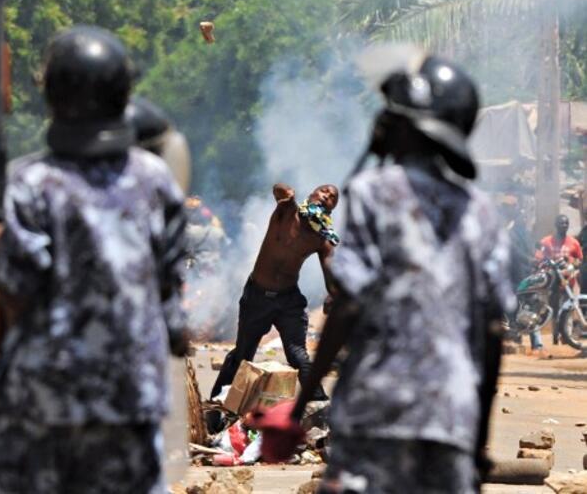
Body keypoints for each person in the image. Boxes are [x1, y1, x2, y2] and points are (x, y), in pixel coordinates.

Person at [274, 53, 513, 492]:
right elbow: (492, 334)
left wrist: (299, 409)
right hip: (452, 420)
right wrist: (477, 445)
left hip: (376, 414)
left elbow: (349, 306)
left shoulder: (375, 192)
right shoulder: (481, 211)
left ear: (401, 125)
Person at [0, 26, 189, 493]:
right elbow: (169, 293)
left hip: (45, 401)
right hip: (131, 398)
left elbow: (20, 297)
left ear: (53, 97)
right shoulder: (155, 180)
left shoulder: (30, 182)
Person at [209, 183, 338, 401]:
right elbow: (279, 189)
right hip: (258, 295)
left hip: (289, 301)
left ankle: (319, 406)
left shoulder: (322, 238)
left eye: (333, 197)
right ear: (312, 194)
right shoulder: (288, 212)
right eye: (324, 191)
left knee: (298, 356)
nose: (327, 196)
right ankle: (216, 409)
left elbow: (330, 274)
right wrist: (286, 195)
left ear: (332, 209)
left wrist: (333, 294)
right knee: (242, 355)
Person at [535, 214, 582, 345]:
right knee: (554, 311)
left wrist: (572, 263)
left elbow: (579, 259)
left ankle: (566, 338)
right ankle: (555, 337)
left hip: (568, 283)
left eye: (566, 223)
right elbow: (539, 257)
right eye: (561, 223)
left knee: (568, 311)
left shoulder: (574, 242)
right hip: (553, 283)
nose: (564, 226)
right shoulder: (546, 241)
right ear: (556, 225)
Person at [502, 200, 540, 352]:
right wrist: (530, 259)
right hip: (512, 274)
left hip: (526, 273)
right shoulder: (509, 229)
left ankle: (537, 344)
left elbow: (527, 249)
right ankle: (516, 337)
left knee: (531, 305)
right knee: (514, 307)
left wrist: (534, 259)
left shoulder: (522, 230)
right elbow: (514, 251)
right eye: (508, 207)